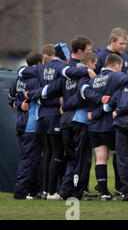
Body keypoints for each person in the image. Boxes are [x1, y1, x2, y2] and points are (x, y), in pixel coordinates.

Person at [19, 43, 92, 200]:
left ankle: (47, 190)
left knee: (49, 154)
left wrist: (32, 94)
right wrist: (87, 70)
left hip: (43, 117)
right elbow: (55, 86)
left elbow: (21, 71)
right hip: (56, 117)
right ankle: (54, 191)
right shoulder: (61, 69)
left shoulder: (40, 68)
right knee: (60, 154)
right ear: (64, 57)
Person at [82, 54, 128, 201]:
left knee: (101, 159)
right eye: (121, 67)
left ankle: (104, 193)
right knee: (122, 156)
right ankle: (122, 187)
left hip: (95, 126)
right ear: (116, 66)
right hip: (110, 125)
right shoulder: (116, 76)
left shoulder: (93, 80)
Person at [9, 52, 43, 200]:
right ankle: (20, 192)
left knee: (32, 159)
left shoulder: (18, 79)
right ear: (40, 64)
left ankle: (34, 191)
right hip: (31, 125)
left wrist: (19, 105)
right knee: (29, 159)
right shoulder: (36, 80)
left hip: (20, 123)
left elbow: (11, 100)